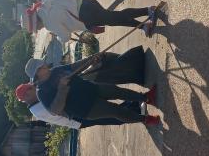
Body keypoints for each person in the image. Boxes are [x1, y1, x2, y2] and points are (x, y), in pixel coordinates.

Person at [25, 55, 160, 126]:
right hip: (87, 108)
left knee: (118, 91)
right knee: (116, 111)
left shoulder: (55, 71)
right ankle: (145, 119)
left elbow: (74, 67)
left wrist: (91, 60)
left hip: (90, 88)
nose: (45, 65)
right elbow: (55, 110)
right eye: (42, 66)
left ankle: (147, 98)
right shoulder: (42, 92)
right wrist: (62, 88)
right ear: (38, 73)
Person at [23, 0, 158, 40]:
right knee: (115, 19)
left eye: (37, 28)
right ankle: (143, 25)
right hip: (85, 2)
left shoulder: (49, 23)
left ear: (36, 22)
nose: (39, 29)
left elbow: (65, 36)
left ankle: (147, 11)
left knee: (116, 18)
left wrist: (58, 38)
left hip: (85, 16)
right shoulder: (45, 3)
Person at [14, 82, 142, 129]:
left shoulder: (37, 104)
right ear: (27, 95)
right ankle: (136, 113)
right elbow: (59, 108)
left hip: (75, 112)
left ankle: (133, 107)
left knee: (109, 111)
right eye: (32, 88)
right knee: (110, 117)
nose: (35, 88)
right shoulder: (38, 109)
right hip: (77, 118)